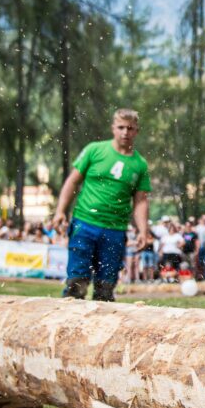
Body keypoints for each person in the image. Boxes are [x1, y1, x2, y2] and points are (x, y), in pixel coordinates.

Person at [51, 109, 153, 301]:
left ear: (136, 131)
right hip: (84, 223)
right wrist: (60, 212)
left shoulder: (140, 164)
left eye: (130, 128)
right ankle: (67, 325)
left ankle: (100, 329)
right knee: (77, 283)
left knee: (105, 289)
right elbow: (73, 181)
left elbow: (140, 200)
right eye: (121, 127)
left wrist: (143, 230)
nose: (125, 132)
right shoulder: (94, 150)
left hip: (115, 230)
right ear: (113, 128)